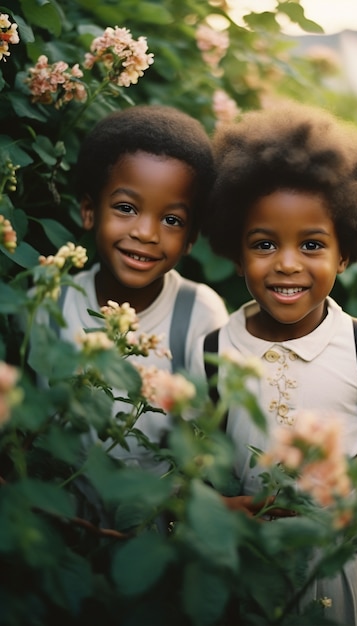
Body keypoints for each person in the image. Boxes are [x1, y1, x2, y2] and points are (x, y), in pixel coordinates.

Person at [190, 99, 357, 626]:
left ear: (344, 253)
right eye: (264, 243)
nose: (287, 263)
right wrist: (218, 510)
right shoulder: (213, 351)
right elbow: (191, 471)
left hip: (342, 575)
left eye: (312, 244)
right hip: (248, 574)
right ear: (236, 251)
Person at [40, 104, 229, 470]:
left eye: (172, 220)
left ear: (190, 239)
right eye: (126, 208)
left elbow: (210, 437)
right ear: (89, 210)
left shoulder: (199, 315)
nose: (145, 233)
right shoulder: (48, 303)